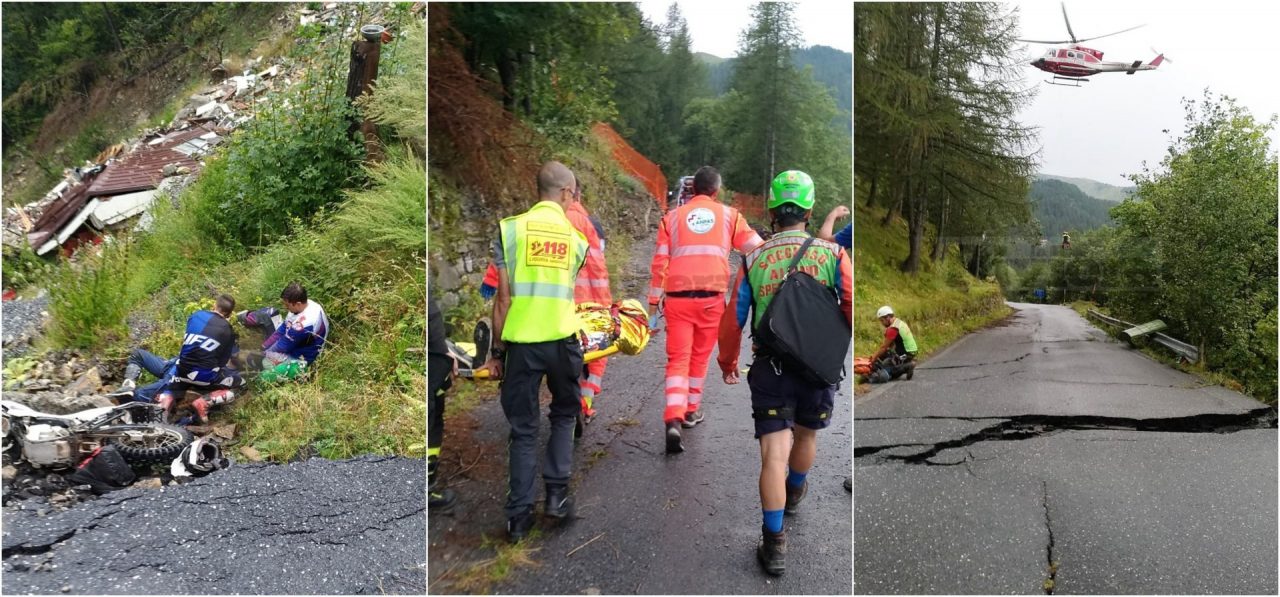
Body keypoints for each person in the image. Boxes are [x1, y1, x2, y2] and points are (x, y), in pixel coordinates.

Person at [717, 170, 853, 576]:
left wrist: (727, 363)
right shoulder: (832, 255)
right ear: (810, 211)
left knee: (772, 454)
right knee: (807, 434)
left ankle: (774, 544)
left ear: (773, 212)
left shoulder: (753, 258)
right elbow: (849, 305)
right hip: (816, 367)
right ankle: (795, 491)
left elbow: (733, 319)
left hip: (770, 369)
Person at [478, 161, 590, 542]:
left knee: (524, 429)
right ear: (564, 193)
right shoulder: (577, 240)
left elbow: (503, 299)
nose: (573, 201)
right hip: (562, 341)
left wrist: (496, 352)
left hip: (522, 345)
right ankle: (556, 497)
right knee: (563, 413)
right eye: (573, 195)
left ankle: (518, 518)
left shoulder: (510, 230)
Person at [648, 165, 763, 453]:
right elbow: (756, 248)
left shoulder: (671, 219)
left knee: (678, 359)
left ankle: (673, 417)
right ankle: (691, 410)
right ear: (716, 190)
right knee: (700, 357)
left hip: (677, 298)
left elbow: (659, 263)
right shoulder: (729, 215)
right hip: (712, 298)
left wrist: (652, 305)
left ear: (693, 189)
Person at [154, 294, 246, 425]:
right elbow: (222, 362)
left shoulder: (196, 315)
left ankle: (165, 401)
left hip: (181, 371)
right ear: (229, 314)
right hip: (205, 378)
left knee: (175, 376)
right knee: (241, 383)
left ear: (214, 305)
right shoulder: (228, 331)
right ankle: (204, 402)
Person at [564, 179, 612, 427]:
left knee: (562, 356)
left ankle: (566, 403)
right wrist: (606, 308)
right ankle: (585, 404)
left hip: (553, 305)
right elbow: (597, 267)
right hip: (586, 303)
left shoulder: (537, 220)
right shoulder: (589, 224)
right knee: (597, 353)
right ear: (577, 194)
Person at [237, 282, 330, 381]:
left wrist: (263, 354)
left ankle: (296, 374)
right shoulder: (305, 304)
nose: (286, 308)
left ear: (298, 304)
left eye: (287, 305)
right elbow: (283, 328)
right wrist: (264, 345)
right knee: (262, 353)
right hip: (298, 343)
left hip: (304, 356)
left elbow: (283, 346)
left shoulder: (304, 324)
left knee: (263, 365)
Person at [428, 289, 459, 511]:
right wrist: (443, 350)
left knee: (434, 417)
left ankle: (429, 479)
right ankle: (426, 487)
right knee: (432, 419)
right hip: (433, 357)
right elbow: (429, 315)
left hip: (434, 351)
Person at [870, 305, 918, 382]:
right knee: (885, 355)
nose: (882, 323)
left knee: (887, 374)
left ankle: (908, 366)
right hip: (911, 351)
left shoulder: (893, 329)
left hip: (906, 353)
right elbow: (891, 345)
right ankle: (906, 364)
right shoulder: (899, 322)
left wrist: (873, 358)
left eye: (882, 320)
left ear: (888, 317)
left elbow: (884, 347)